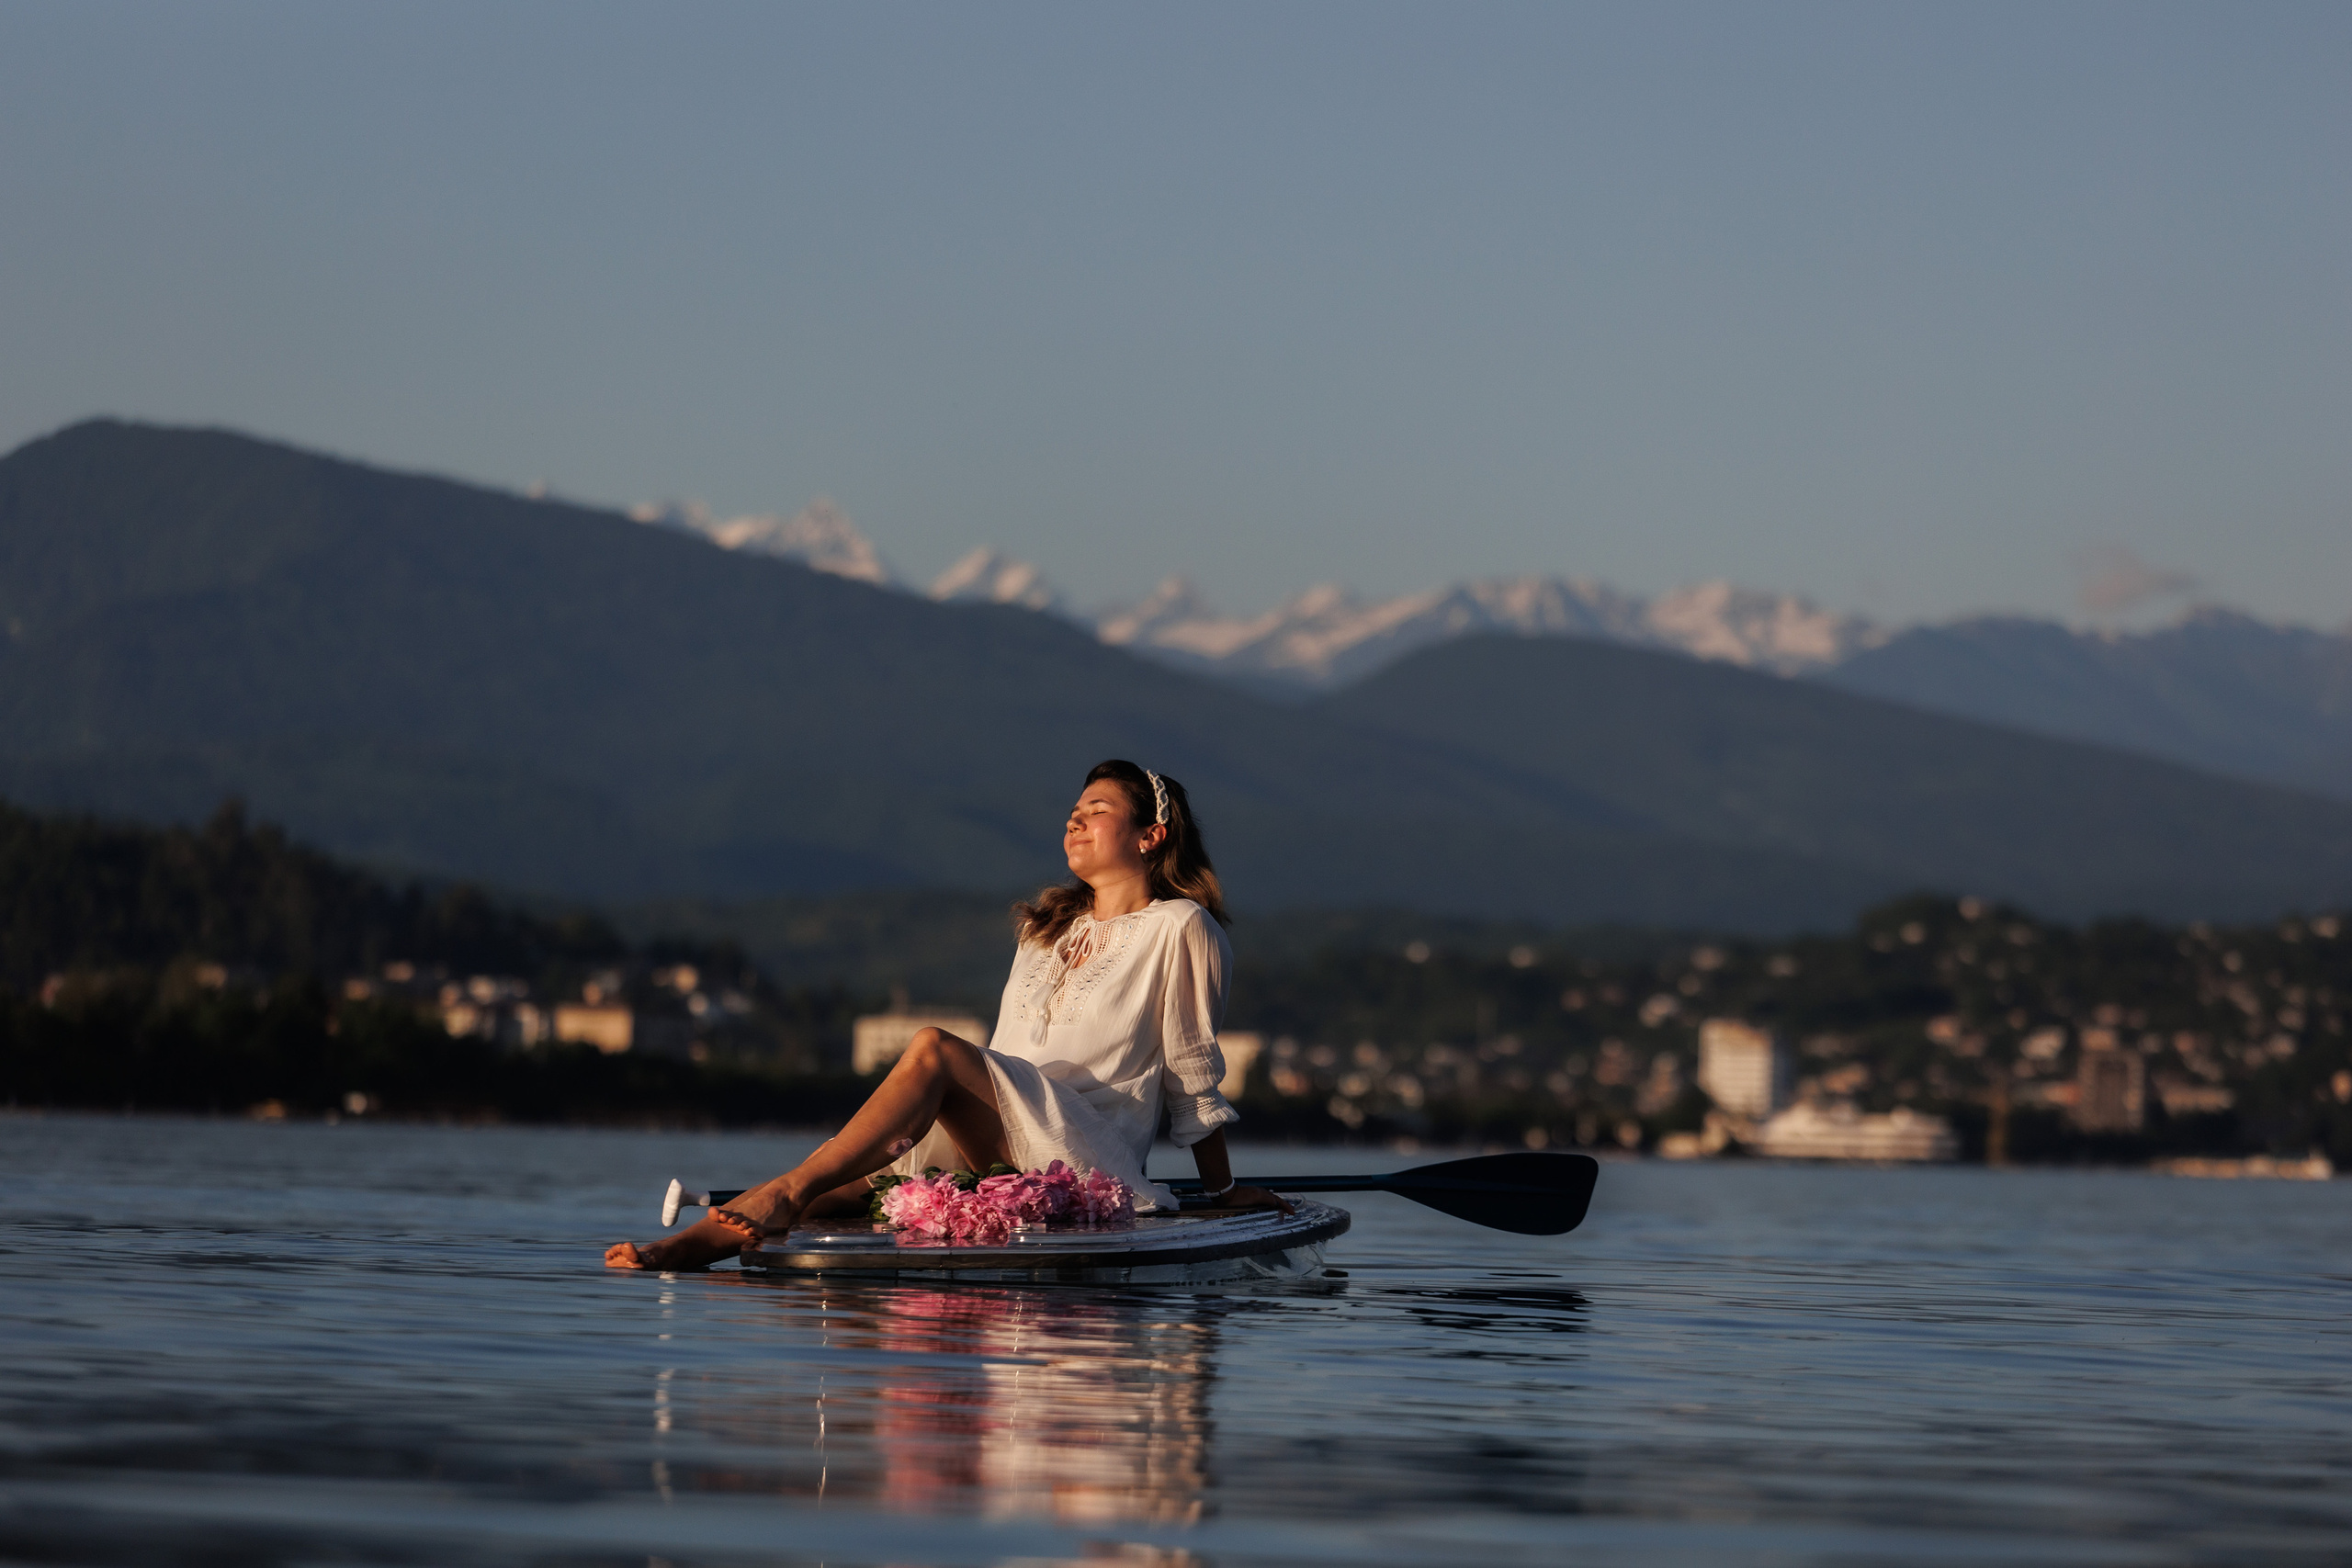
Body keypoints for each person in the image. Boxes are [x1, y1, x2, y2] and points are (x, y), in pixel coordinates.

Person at [606, 759, 1291, 1269]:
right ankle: (689, 1248)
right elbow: (1005, 1053)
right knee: (854, 1186)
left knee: (932, 1047)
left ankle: (783, 1191)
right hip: (1007, 1127)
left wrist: (1222, 1189)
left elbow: (1191, 1076)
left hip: (1089, 1153)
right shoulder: (1044, 929)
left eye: (1098, 808)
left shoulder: (1182, 927)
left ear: (1151, 836)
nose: (1074, 818)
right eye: (1072, 809)